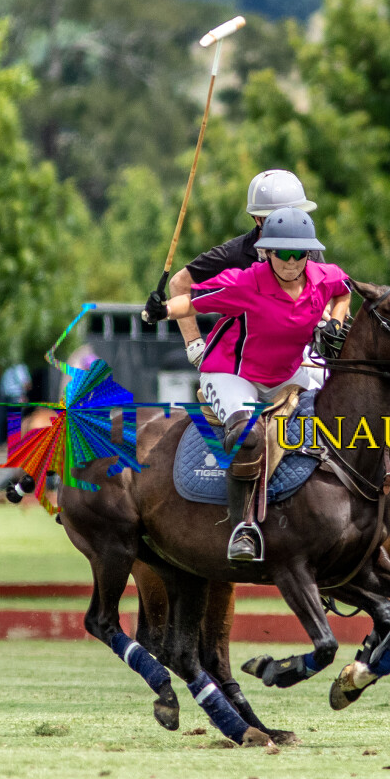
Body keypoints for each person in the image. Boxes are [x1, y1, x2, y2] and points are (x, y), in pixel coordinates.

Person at [156, 206, 350, 561]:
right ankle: (242, 527)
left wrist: (335, 322)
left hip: (286, 373)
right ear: (267, 252)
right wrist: (163, 310)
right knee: (247, 435)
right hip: (232, 374)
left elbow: (343, 290)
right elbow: (193, 301)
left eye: (300, 254)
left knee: (342, 406)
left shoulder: (323, 276)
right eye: (283, 254)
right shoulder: (245, 282)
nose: (292, 262)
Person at [143, 170, 324, 376]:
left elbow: (328, 294)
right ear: (258, 219)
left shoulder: (310, 252)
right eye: (278, 219)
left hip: (296, 356)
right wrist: (194, 345)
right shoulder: (232, 254)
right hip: (242, 362)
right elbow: (179, 283)